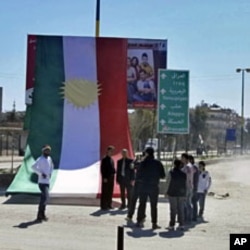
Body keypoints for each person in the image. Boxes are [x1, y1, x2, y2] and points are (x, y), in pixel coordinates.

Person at [136, 147, 166, 230]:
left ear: (147, 153)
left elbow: (138, 175)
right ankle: (154, 223)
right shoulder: (157, 163)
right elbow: (163, 175)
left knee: (142, 204)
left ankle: (139, 221)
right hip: (153, 187)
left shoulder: (143, 163)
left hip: (143, 186)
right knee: (153, 205)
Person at [32, 145, 54, 222]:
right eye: (46, 150)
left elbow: (52, 166)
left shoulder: (49, 159)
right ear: (43, 151)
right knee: (46, 197)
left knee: (44, 198)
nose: (48, 152)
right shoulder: (40, 159)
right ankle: (40, 214)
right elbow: (33, 167)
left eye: (49, 150)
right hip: (42, 182)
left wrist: (50, 173)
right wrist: (41, 174)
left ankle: (41, 215)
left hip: (47, 181)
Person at [166, 159, 187, 230]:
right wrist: (185, 194)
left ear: (174, 164)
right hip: (181, 194)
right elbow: (186, 185)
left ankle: (172, 225)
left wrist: (166, 192)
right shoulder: (184, 174)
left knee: (173, 210)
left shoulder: (171, 173)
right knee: (181, 209)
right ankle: (182, 224)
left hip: (172, 193)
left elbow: (168, 183)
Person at [126, 152, 146, 221]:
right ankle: (130, 215)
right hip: (138, 184)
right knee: (134, 200)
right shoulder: (138, 163)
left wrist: (136, 161)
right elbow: (131, 166)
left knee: (142, 202)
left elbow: (133, 166)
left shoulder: (145, 164)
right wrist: (135, 160)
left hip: (143, 185)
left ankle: (141, 216)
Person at [100, 146, 116, 210]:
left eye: (112, 151)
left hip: (111, 177)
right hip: (106, 178)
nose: (112, 152)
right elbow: (102, 169)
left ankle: (109, 204)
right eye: (111, 151)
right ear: (108, 151)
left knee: (110, 191)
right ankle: (104, 205)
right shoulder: (104, 159)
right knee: (105, 192)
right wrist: (104, 177)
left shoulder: (111, 159)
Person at [181, 153, 195, 224]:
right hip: (190, 186)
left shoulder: (187, 167)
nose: (181, 159)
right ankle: (189, 218)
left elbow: (187, 177)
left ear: (185, 158)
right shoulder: (190, 166)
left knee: (186, 203)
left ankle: (187, 218)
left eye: (182, 158)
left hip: (187, 186)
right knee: (189, 202)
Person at [189, 155, 199, 222]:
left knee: (194, 202)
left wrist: (195, 187)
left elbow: (195, 179)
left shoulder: (194, 168)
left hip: (193, 187)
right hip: (191, 187)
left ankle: (194, 216)